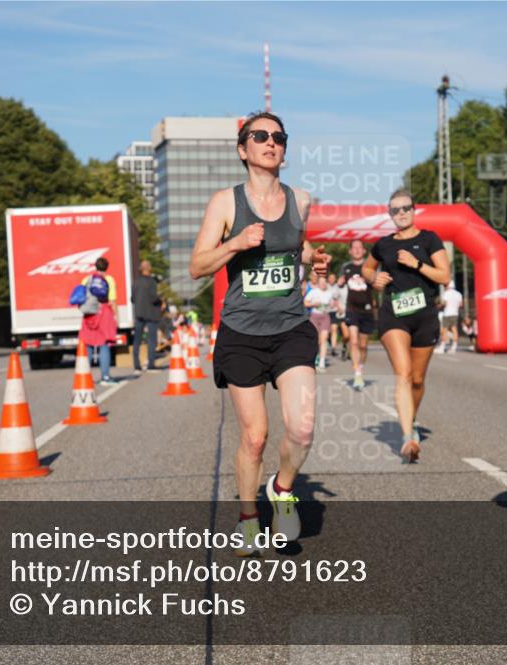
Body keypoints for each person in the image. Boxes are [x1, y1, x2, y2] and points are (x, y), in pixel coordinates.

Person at [189, 111, 330, 556]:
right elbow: (197, 267)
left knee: (303, 428)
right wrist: (233, 243)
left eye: (279, 137)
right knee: (255, 437)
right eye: (261, 136)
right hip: (242, 333)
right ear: (242, 149)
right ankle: (248, 518)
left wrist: (312, 260)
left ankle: (282, 489)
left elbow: (295, 243)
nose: (271, 142)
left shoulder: (301, 199)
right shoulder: (225, 203)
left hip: (291, 327)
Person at [362, 189, 450, 462]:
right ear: (389, 214)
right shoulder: (383, 244)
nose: (401, 213)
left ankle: (411, 417)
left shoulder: (429, 239)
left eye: (406, 208)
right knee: (402, 374)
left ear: (414, 210)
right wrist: (372, 279)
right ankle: (407, 436)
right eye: (395, 210)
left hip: (424, 314)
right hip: (394, 315)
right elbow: (366, 268)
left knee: (417, 379)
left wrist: (417, 264)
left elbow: (444, 276)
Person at [78, 257, 119, 385]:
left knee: (88, 344)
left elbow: (81, 296)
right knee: (104, 344)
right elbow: (112, 300)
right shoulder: (109, 280)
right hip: (104, 312)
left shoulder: (86, 279)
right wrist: (116, 316)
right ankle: (105, 377)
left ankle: (85, 377)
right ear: (107, 267)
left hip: (89, 314)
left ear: (96, 266)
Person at [342, 239, 375, 389]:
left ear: (364, 251)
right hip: (352, 309)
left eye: (359, 248)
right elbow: (340, 283)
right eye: (353, 247)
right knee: (353, 341)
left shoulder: (369, 268)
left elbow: (377, 283)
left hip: (367, 310)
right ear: (350, 251)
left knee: (363, 345)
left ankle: (360, 367)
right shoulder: (346, 267)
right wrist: (340, 282)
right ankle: (357, 373)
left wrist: (373, 280)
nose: (356, 250)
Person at [131, 259, 163, 373]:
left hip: (139, 313)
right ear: (149, 268)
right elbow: (154, 297)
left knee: (137, 340)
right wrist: (160, 299)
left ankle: (137, 366)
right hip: (151, 314)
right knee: (151, 340)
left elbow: (132, 298)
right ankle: (151, 364)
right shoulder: (152, 282)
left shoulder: (136, 281)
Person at [304, 273, 333, 371]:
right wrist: (313, 304)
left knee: (324, 339)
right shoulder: (313, 292)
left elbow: (332, 304)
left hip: (325, 316)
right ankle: (315, 357)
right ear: (318, 283)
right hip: (314, 316)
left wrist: (332, 305)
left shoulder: (329, 293)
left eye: (324, 282)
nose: (323, 284)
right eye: (321, 282)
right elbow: (305, 303)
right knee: (316, 339)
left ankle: (322, 361)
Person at [441, 281, 463, 353]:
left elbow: (445, 304)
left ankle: (442, 346)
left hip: (447, 313)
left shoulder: (446, 293)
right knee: (454, 330)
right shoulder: (458, 294)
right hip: (455, 313)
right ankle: (454, 347)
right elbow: (460, 305)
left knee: (444, 330)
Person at [326, 271, 342, 357]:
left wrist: (339, 307)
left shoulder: (337, 287)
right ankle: (329, 343)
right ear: (328, 279)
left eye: (333, 278)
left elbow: (338, 299)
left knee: (334, 329)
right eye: (330, 278)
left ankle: (333, 348)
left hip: (334, 311)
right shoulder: (325, 286)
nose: (332, 279)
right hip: (326, 311)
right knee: (328, 331)